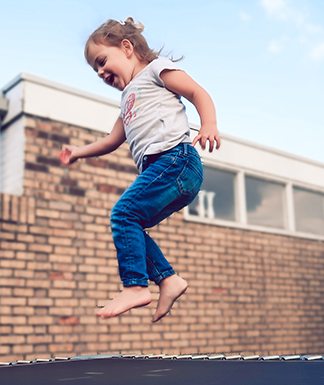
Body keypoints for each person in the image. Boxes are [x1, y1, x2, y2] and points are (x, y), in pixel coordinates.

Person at [59, 18, 220, 322]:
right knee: (131, 224)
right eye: (95, 69)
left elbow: (199, 93)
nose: (100, 72)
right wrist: (79, 152)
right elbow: (112, 140)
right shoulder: (126, 100)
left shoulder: (156, 70)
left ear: (127, 47)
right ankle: (168, 280)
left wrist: (209, 124)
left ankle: (135, 286)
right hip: (170, 172)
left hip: (175, 159)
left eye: (102, 61)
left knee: (123, 214)